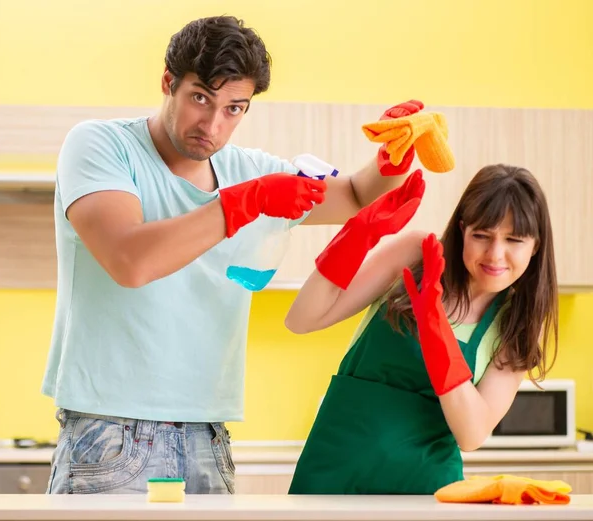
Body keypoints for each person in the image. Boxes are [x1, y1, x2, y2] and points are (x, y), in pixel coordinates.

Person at [42, 14, 424, 495]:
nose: (213, 124)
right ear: (168, 82)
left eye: (234, 108)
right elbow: (130, 261)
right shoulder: (102, 146)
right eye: (201, 97)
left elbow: (350, 194)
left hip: (208, 434)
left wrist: (391, 160)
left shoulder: (247, 169)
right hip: (111, 433)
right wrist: (246, 202)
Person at [285, 164, 559, 494]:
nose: (495, 254)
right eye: (481, 235)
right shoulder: (417, 256)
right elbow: (301, 320)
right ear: (462, 230)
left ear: (536, 245)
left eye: (514, 239)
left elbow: (471, 434)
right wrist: (358, 236)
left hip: (425, 495)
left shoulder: (518, 321)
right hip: (332, 477)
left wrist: (436, 329)